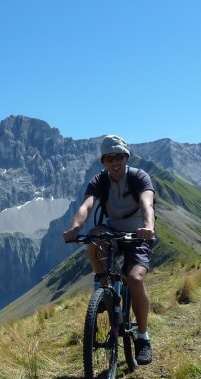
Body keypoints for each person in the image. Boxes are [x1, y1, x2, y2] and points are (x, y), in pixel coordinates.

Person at [63, 135, 156, 365]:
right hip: (113, 232)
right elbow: (86, 206)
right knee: (93, 238)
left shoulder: (139, 177)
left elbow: (147, 204)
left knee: (134, 279)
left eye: (119, 157)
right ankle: (105, 289)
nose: (115, 162)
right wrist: (75, 228)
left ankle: (143, 338)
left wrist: (148, 227)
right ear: (103, 161)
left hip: (137, 233)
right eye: (109, 158)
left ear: (127, 157)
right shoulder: (99, 181)